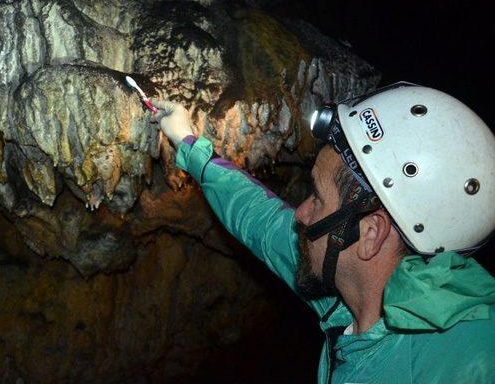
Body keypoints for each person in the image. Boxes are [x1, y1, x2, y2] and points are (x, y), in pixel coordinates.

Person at [150, 83, 495, 383]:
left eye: (316, 197)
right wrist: (189, 144)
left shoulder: (468, 359)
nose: (300, 213)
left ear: (371, 234)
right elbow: (262, 220)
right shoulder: (345, 295)